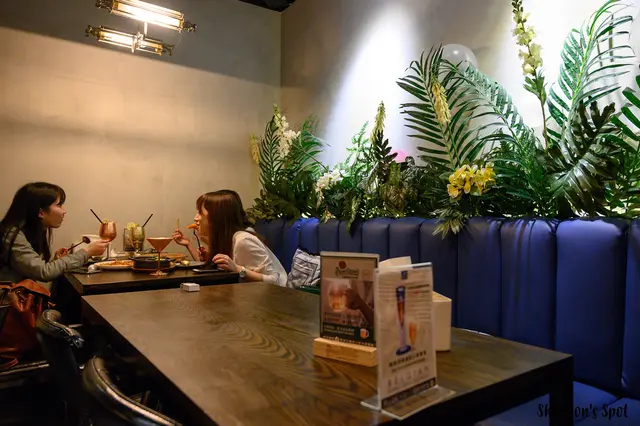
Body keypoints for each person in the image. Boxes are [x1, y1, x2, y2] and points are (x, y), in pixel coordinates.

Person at [0, 182, 109, 286]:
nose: (64, 211)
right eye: (59, 205)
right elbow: (44, 272)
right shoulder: (11, 234)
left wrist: (56, 262)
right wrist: (87, 252)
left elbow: (35, 270)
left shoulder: (32, 230)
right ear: (40, 212)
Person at [172, 190, 287, 287]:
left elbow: (275, 281)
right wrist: (189, 245)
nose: (196, 218)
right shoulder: (225, 240)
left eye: (200, 212)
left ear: (217, 216)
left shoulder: (243, 241)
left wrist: (237, 269)